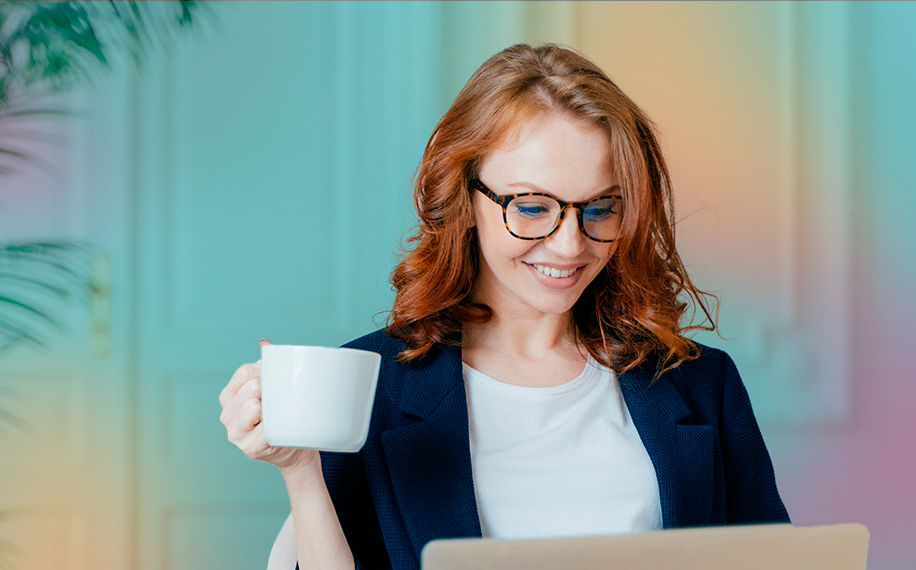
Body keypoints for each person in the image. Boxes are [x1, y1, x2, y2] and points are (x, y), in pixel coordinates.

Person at [219, 43, 790, 570]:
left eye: (600, 208)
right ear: (465, 196)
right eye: (533, 207)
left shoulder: (698, 383)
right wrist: (300, 471)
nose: (570, 245)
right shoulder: (371, 392)